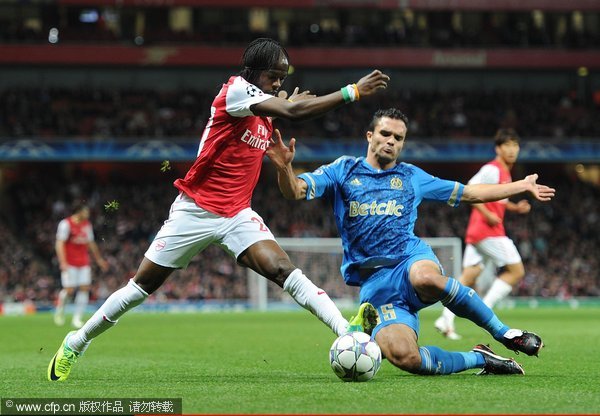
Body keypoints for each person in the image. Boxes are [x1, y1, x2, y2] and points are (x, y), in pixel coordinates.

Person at [47, 38, 389, 382]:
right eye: (274, 76)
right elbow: (293, 111)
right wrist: (352, 92)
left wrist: (283, 155)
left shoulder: (263, 110)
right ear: (255, 72)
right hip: (195, 210)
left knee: (284, 270)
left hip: (237, 214)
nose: (278, 84)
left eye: (283, 78)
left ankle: (347, 329)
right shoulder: (237, 92)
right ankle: (76, 342)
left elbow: (284, 110)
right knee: (140, 287)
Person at [266, 108, 555, 376]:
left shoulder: (411, 176)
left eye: (398, 137)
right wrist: (283, 169)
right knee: (406, 358)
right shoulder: (343, 171)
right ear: (370, 136)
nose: (391, 141)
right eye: (385, 134)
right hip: (376, 285)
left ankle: (503, 332)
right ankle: (482, 358)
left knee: (426, 277)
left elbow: (470, 193)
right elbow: (295, 191)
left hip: (410, 259)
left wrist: (522, 186)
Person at [435, 128, 532, 340]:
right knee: (516, 271)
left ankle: (445, 319)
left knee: (468, 277)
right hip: (487, 231)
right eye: (507, 145)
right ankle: (485, 310)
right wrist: (487, 214)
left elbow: (499, 200)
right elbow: (470, 187)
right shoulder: (493, 169)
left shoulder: (504, 173)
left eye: (515, 145)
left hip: (480, 231)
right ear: (498, 148)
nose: (512, 150)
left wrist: (516, 208)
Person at [54, 202, 109, 329]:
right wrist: (63, 262)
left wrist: (99, 260)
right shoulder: (65, 224)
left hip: (83, 262)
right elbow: (60, 244)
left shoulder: (86, 225)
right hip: (70, 263)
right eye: (86, 211)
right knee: (69, 290)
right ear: (79, 212)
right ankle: (60, 311)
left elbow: (91, 243)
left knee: (84, 288)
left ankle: (77, 318)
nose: (88, 214)